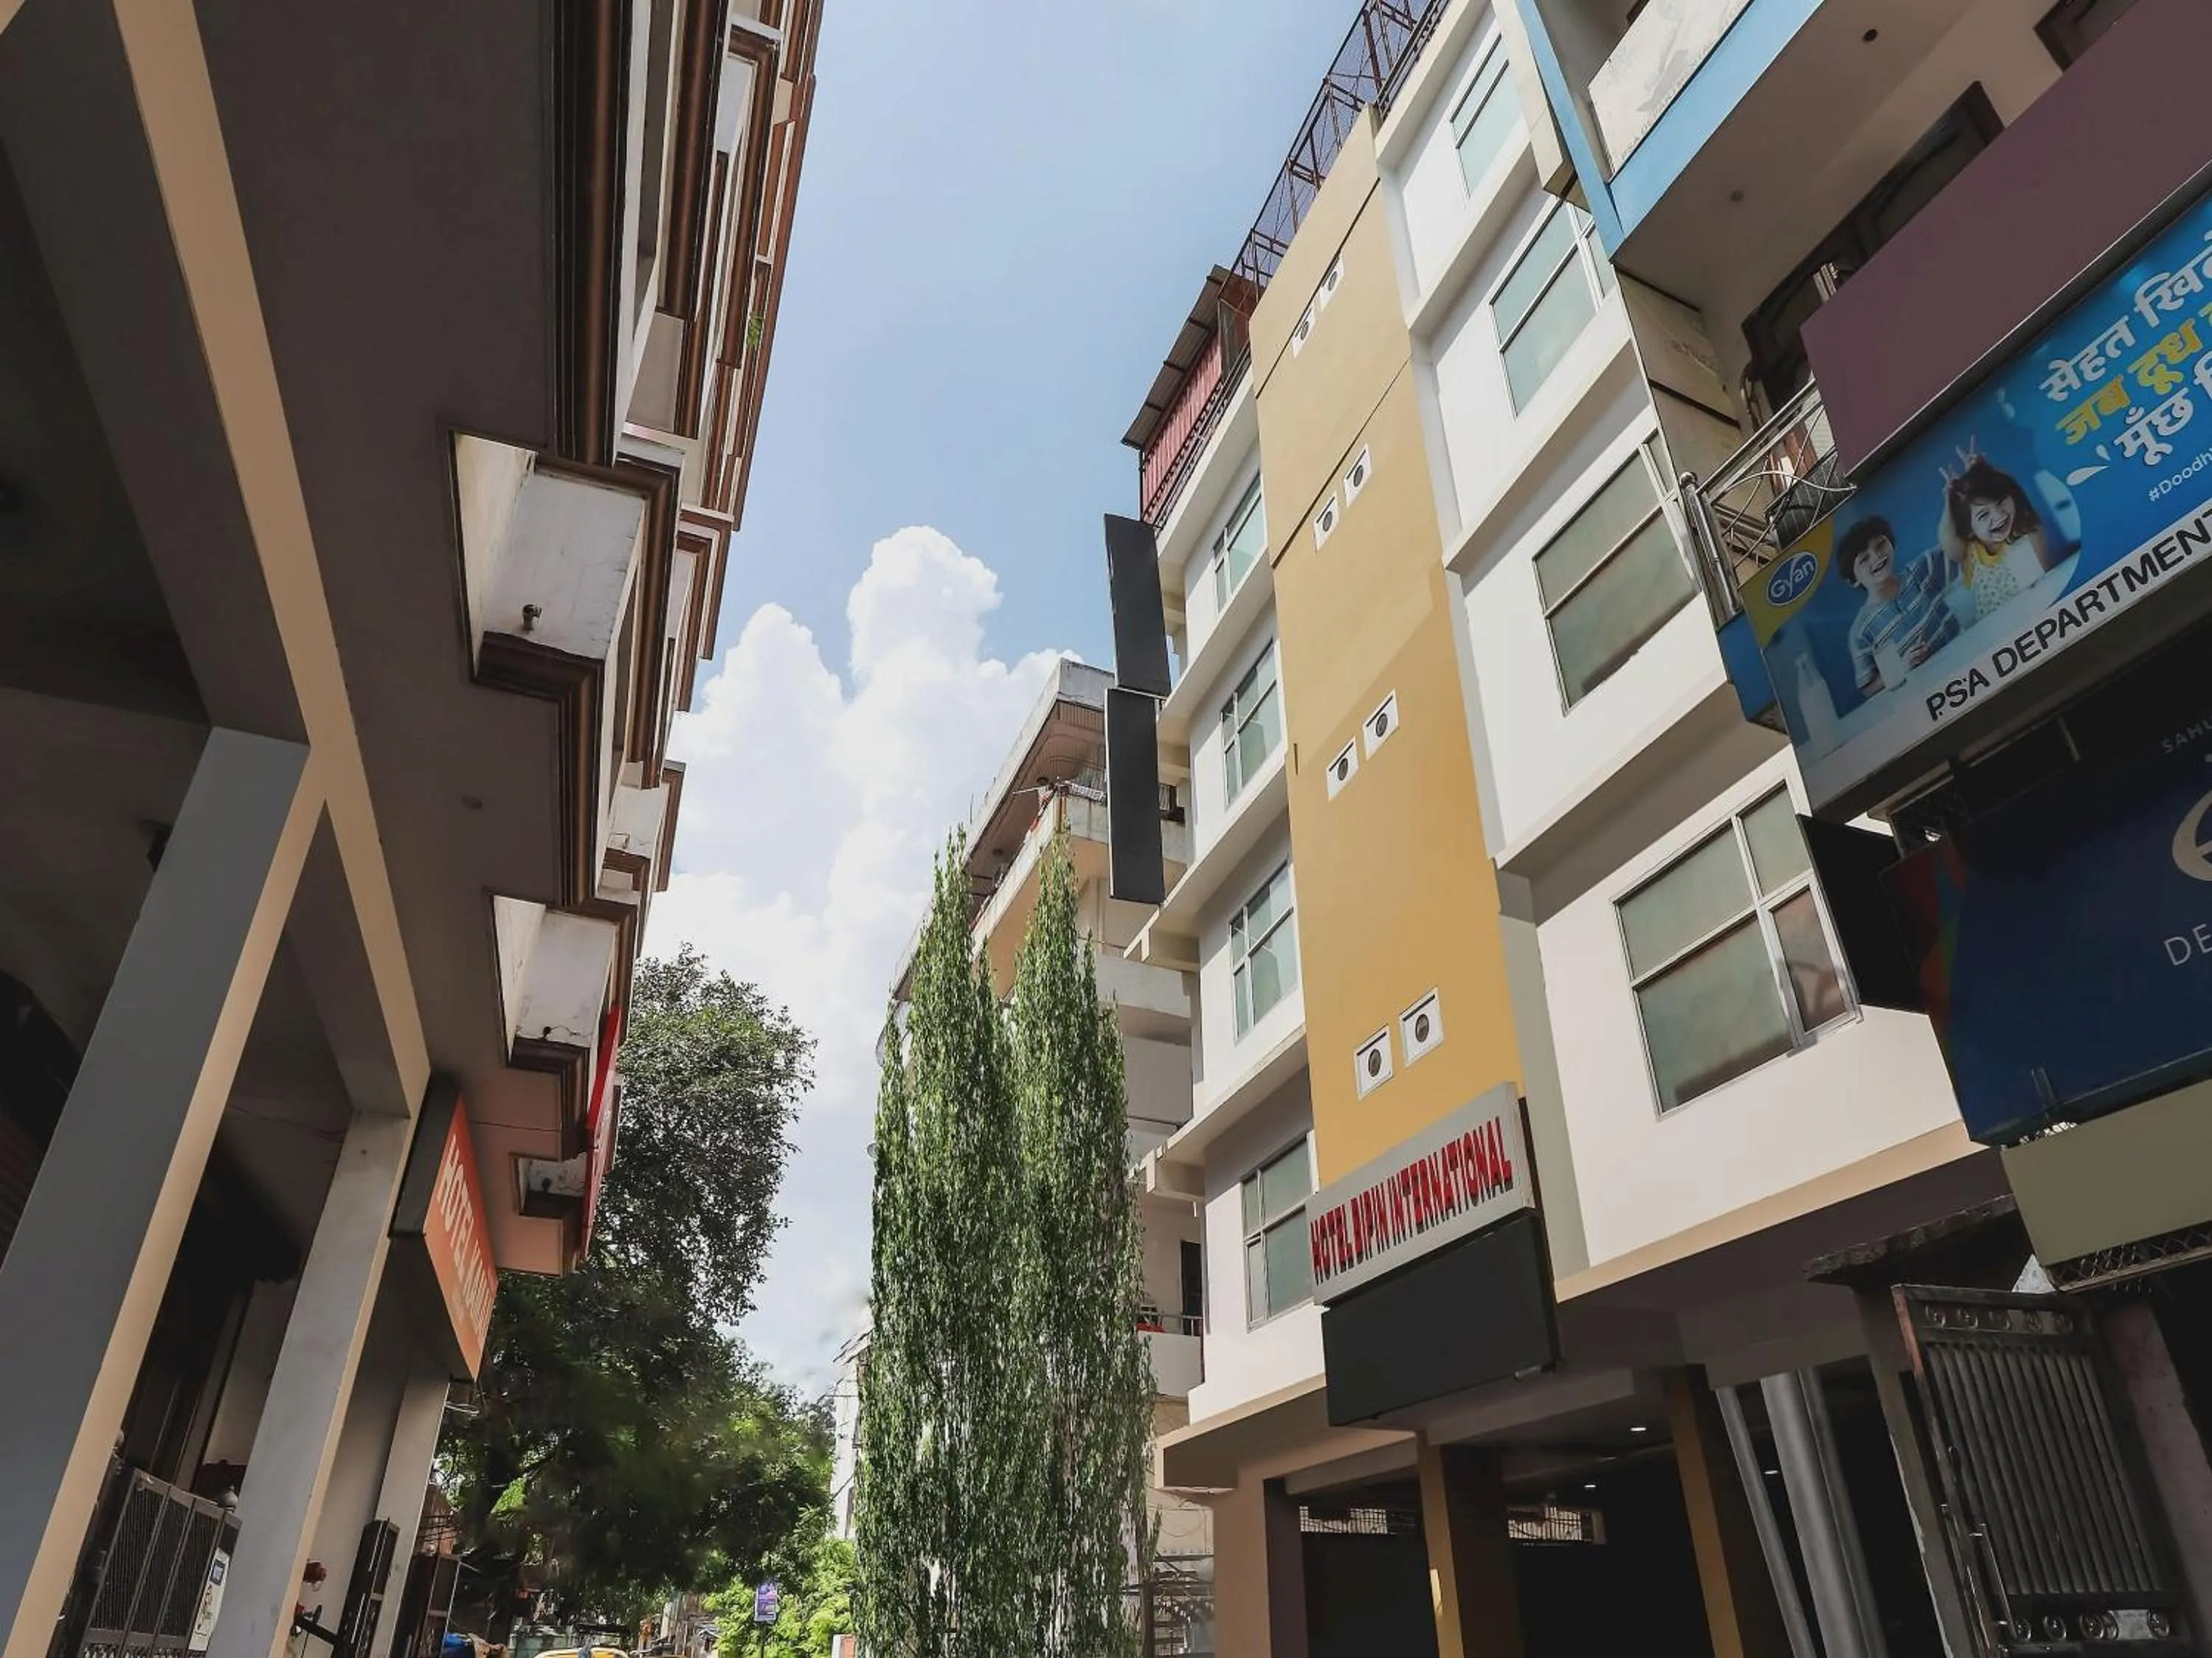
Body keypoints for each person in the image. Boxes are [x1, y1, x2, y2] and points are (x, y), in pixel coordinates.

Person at [1840, 515, 1960, 696]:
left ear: (1891, 543)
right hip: (1924, 695)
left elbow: (1957, 547)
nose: (1877, 556)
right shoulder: (1860, 632)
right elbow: (1868, 689)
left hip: (1963, 661)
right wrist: (1901, 667)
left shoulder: (1921, 570)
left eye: (1880, 545)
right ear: (1853, 580)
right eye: (1864, 559)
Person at [1936, 448, 2050, 620]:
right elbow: (1947, 542)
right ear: (1969, 530)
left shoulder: (2024, 534)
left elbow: (2014, 491)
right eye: (1983, 515)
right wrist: (1949, 499)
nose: (1999, 515)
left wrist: (1986, 471)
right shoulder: (1970, 553)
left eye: (2001, 502)